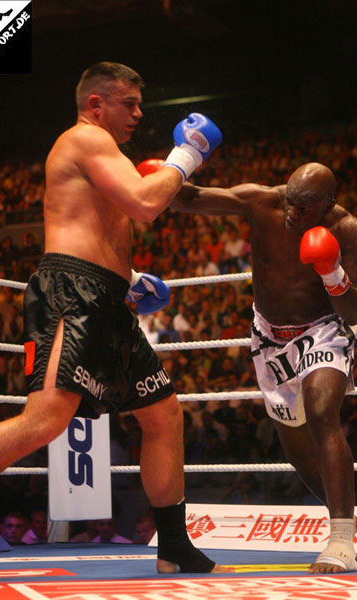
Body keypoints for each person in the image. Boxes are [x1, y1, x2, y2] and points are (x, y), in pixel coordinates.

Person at [0, 62, 228, 574]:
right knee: (44, 421)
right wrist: (188, 152)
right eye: (130, 104)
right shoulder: (85, 139)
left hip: (105, 297)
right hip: (71, 293)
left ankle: (172, 545)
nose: (140, 114)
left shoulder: (108, 156)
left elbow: (101, 226)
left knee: (163, 414)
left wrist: (131, 278)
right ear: (96, 104)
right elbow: (147, 205)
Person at [172, 162, 357, 574]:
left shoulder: (346, 230)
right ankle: (349, 513)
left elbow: (354, 310)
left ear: (327, 206)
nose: (293, 212)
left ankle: (341, 539)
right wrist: (177, 161)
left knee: (322, 413)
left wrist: (333, 273)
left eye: (305, 207)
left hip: (324, 329)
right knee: (296, 449)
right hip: (269, 336)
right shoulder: (262, 202)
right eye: (290, 199)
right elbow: (188, 199)